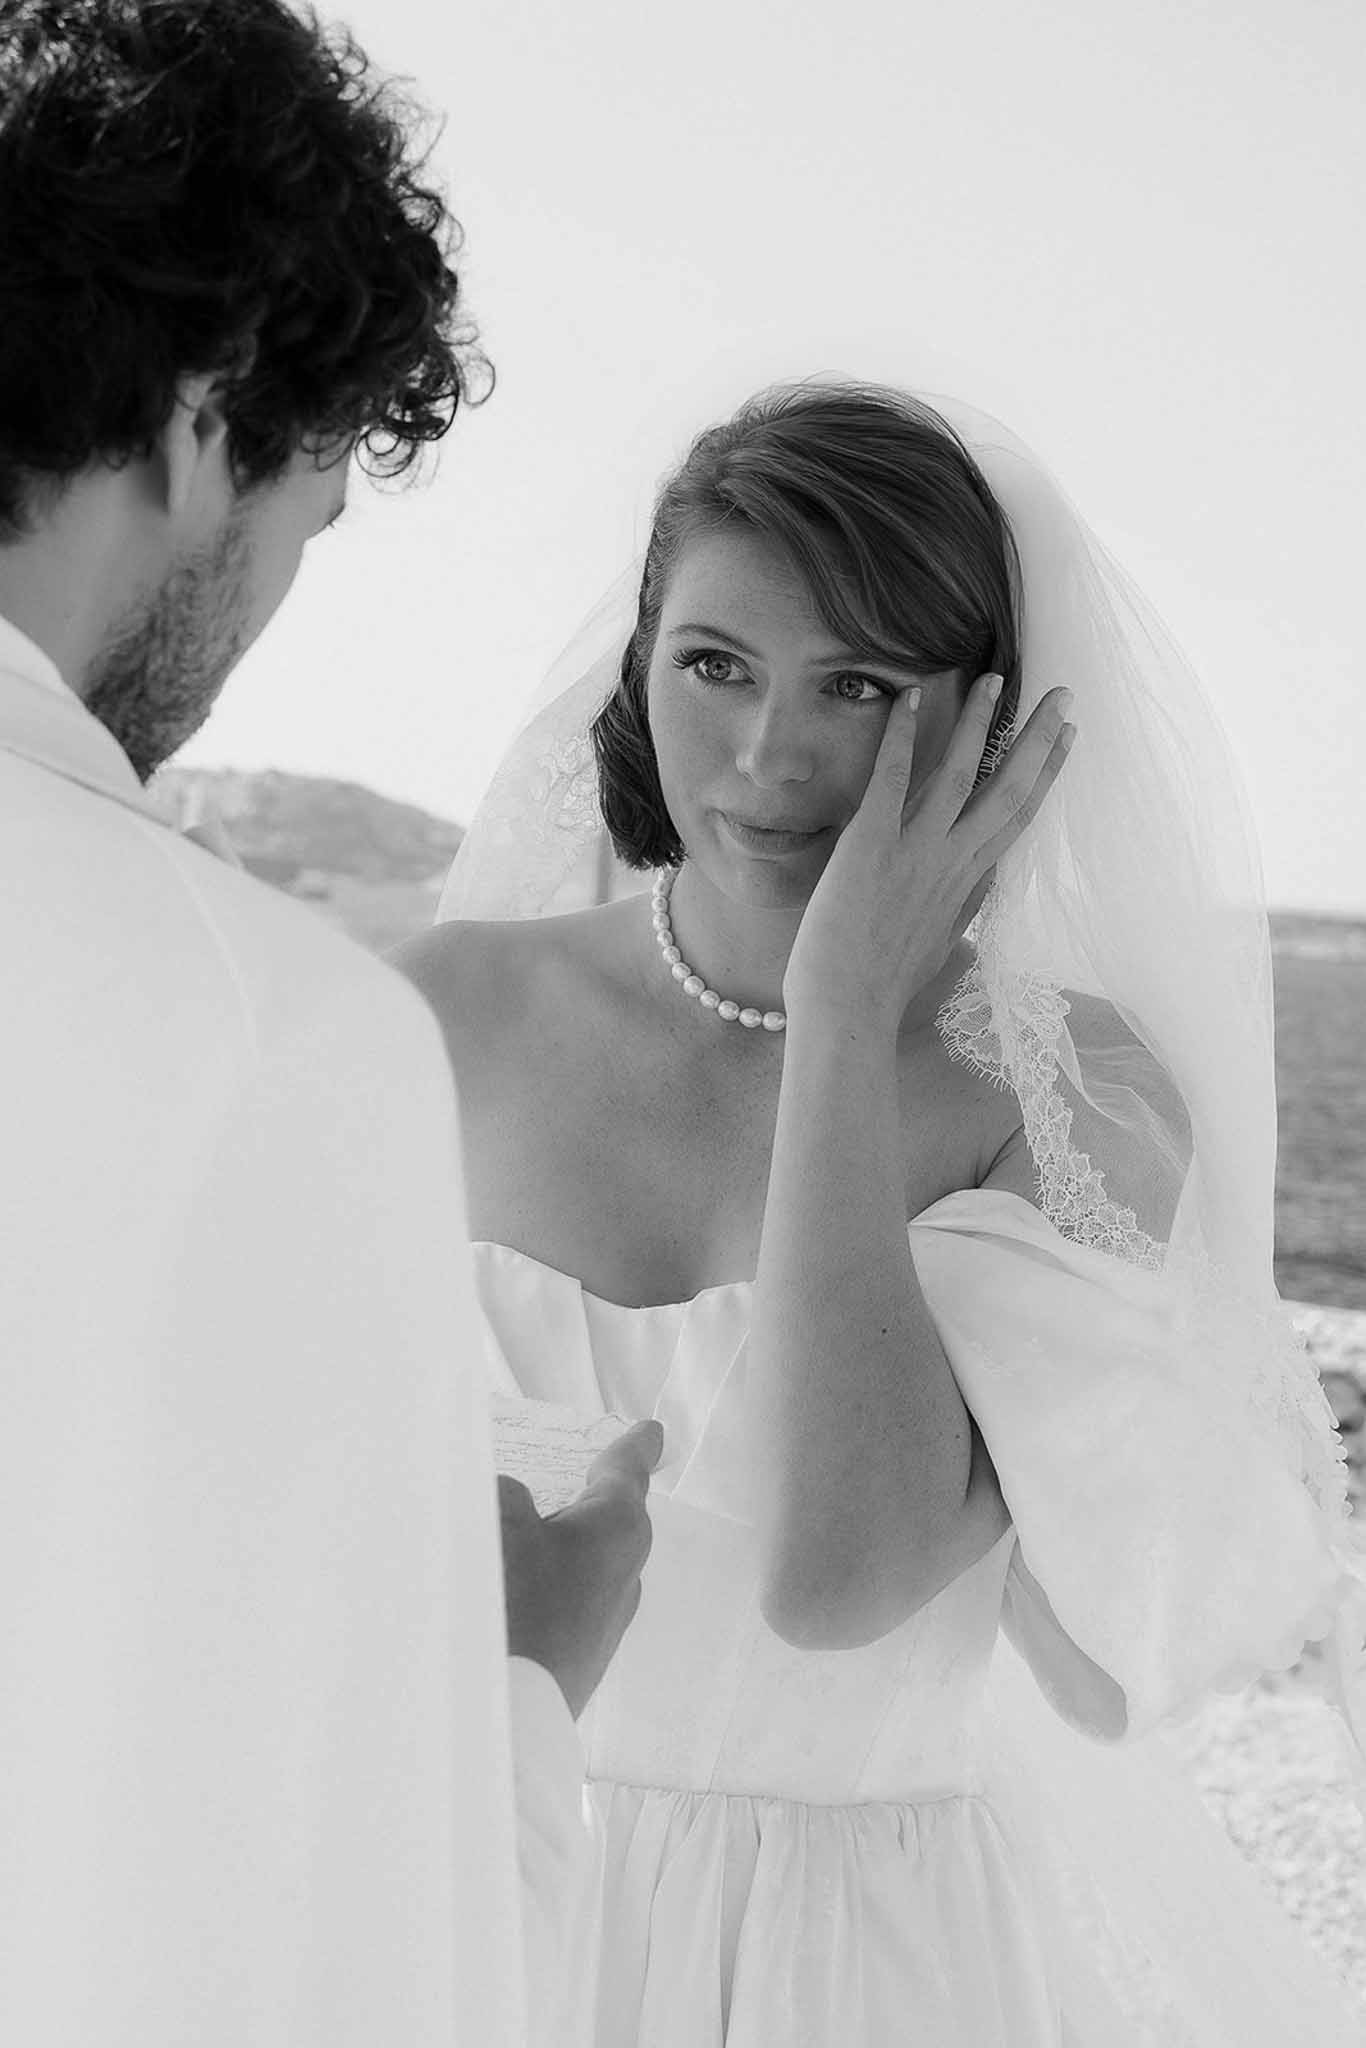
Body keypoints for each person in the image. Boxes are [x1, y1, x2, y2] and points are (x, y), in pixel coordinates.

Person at [398, 381, 1366, 2043]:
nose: (771, 755)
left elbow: (834, 1585)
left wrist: (845, 1017)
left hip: (851, 1961)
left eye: (856, 683)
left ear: (983, 718)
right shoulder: (440, 1013)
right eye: (715, 664)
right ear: (636, 665)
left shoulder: (1074, 1101)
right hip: (469, 1887)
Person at [0, 3, 662, 2042]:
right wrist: (528, 1678)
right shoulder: (265, 1033)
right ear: (208, 415)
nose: (278, 589)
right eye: (309, 512)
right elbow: (338, 1952)